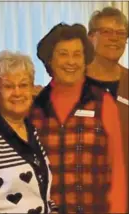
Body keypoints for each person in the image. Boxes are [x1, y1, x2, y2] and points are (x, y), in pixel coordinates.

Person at [29, 23, 126, 213]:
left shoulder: (102, 102)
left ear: (85, 59)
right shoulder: (35, 107)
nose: (71, 62)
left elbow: (117, 171)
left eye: (77, 54)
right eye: (63, 54)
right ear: (50, 60)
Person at [0, 50, 57, 213]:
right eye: (8, 86)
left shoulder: (32, 130)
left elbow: (42, 194)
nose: (17, 93)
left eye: (23, 85)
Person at [87, 7, 128, 210]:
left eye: (121, 33)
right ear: (90, 37)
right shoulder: (73, 82)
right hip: (81, 196)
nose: (115, 38)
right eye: (106, 32)